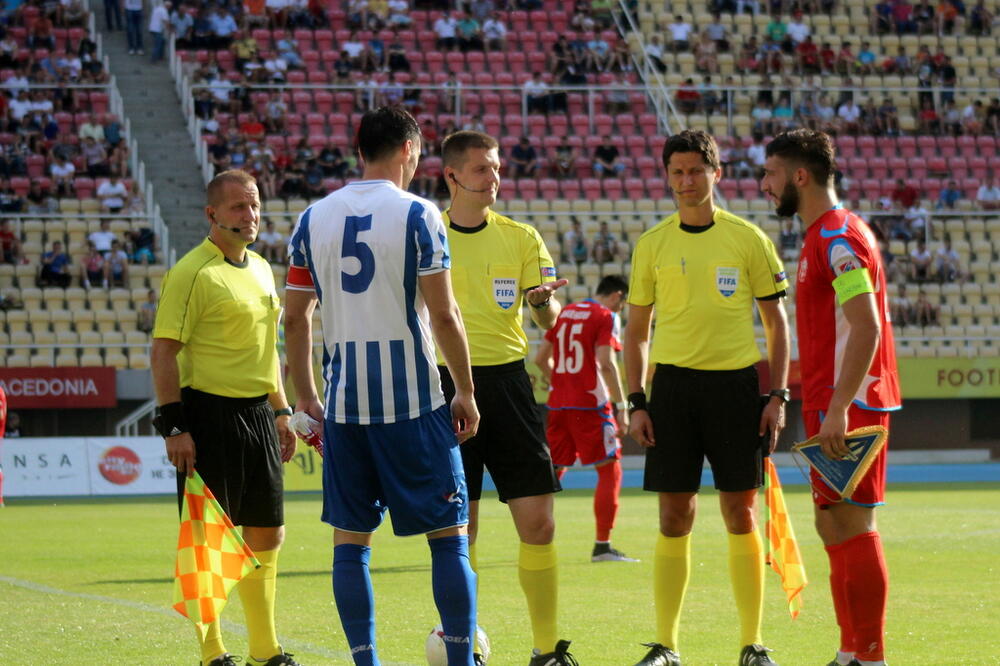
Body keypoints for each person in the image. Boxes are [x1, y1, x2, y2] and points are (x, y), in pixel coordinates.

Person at [283, 107, 481, 666]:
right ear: (409, 151)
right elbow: (443, 315)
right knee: (448, 537)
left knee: (350, 543)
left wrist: (305, 399)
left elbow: (295, 318)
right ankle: (461, 660)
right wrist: (464, 391)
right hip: (415, 403)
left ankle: (366, 661)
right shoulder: (420, 213)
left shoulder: (312, 218)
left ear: (359, 150)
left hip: (346, 409)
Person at [624, 129, 790, 666]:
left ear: (716, 174)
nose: (687, 181)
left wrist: (777, 395)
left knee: (741, 513)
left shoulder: (748, 240)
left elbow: (776, 324)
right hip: (671, 389)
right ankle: (667, 645)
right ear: (667, 177)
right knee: (675, 516)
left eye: (697, 170)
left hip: (736, 388)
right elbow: (636, 332)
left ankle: (753, 643)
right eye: (677, 172)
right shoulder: (652, 245)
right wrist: (637, 400)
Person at [761, 129, 900, 666]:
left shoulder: (838, 237)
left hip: (854, 401)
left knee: (853, 523)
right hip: (829, 400)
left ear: (800, 175)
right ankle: (849, 652)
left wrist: (840, 406)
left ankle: (870, 656)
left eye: (771, 174)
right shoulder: (819, 235)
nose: (765, 186)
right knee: (829, 521)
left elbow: (865, 327)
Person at [150, 170, 300, 666]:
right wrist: (174, 425)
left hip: (258, 413)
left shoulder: (261, 268)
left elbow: (269, 351)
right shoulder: (192, 272)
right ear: (211, 214)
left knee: (266, 532)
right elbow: (163, 351)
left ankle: (265, 649)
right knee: (210, 535)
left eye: (254, 205)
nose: (249, 215)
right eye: (237, 207)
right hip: (208, 414)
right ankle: (212, 652)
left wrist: (281, 411)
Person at [439, 130, 577, 666]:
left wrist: (543, 305)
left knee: (539, 523)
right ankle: (462, 640)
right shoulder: (427, 235)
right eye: (480, 169)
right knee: (460, 529)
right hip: (447, 388)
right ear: (452, 176)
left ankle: (546, 649)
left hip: (511, 386)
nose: (492, 177)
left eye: (495, 168)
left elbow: (550, 318)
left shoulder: (521, 237)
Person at [535, 274, 636, 563]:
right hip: (591, 406)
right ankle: (603, 546)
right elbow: (605, 363)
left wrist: (562, 383)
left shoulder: (565, 312)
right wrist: (622, 405)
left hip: (558, 405)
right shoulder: (605, 316)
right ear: (617, 296)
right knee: (609, 470)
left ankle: (534, 535)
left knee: (555, 469)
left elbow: (542, 359)